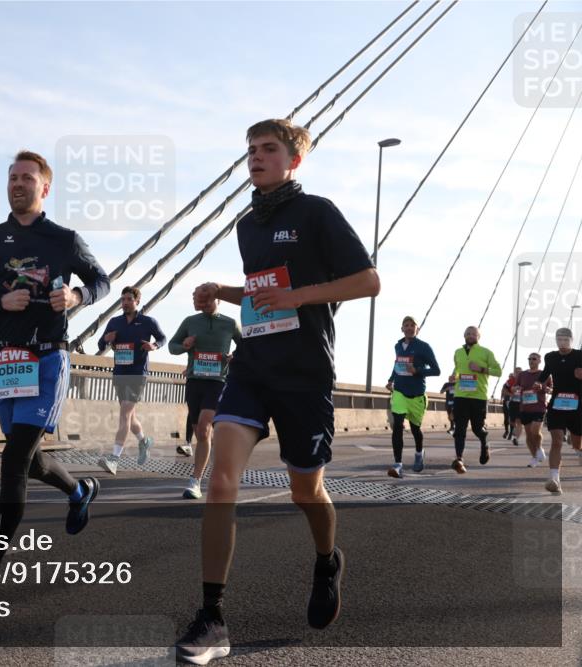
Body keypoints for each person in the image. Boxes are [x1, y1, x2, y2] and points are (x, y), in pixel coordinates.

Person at [173, 119, 380, 665]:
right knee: (221, 481)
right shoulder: (248, 224)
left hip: (304, 373)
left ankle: (327, 559)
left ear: (294, 160)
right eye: (251, 150)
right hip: (252, 367)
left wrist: (300, 297)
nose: (256, 157)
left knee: (305, 492)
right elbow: (263, 291)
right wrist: (222, 290)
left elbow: (368, 281)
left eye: (268, 149)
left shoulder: (318, 212)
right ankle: (212, 618)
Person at [0, 150, 110, 602]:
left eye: (27, 178)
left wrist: (77, 296)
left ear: (45, 188)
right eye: (12, 177)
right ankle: (78, 490)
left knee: (13, 460)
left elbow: (102, 281)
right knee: (30, 460)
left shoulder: (64, 239)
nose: (17, 184)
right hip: (4, 362)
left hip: (47, 358)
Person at [169, 288, 240, 498]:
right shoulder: (190, 321)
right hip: (194, 382)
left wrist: (235, 356)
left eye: (209, 299)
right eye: (202, 300)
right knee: (200, 433)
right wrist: (184, 345)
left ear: (218, 299)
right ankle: (217, 457)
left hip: (217, 382)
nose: (205, 303)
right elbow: (172, 346)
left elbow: (247, 345)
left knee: (203, 429)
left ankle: (195, 481)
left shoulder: (230, 323)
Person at [96, 286, 167, 474]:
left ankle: (114, 459)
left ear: (137, 301)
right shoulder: (115, 322)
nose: (125, 302)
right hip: (120, 372)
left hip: (137, 373)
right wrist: (106, 338)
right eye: (123, 299)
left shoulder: (147, 322)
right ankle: (144, 441)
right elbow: (100, 344)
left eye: (129, 299)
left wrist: (154, 345)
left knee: (125, 414)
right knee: (130, 415)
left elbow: (162, 338)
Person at [384, 316, 440, 477]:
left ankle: (419, 453)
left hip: (417, 395)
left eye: (412, 325)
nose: (409, 328)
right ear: (402, 329)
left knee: (415, 429)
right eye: (406, 325)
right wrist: (391, 380)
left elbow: (436, 370)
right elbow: (397, 364)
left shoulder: (424, 347)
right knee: (397, 426)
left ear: (417, 329)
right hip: (399, 392)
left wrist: (417, 371)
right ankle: (397, 465)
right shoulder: (398, 346)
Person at [534, 328, 582, 494]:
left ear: (571, 340)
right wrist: (538, 383)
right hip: (557, 404)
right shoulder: (551, 357)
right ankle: (554, 479)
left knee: (577, 443)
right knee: (557, 441)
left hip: (577, 405)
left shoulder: (580, 356)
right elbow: (545, 374)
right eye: (559, 339)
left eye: (566, 339)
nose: (562, 343)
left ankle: (579, 451)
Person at [449, 326, 501, 474]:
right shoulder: (458, 352)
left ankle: (484, 443)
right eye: (468, 333)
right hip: (460, 396)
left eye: (473, 334)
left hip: (478, 397)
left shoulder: (486, 352)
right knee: (459, 428)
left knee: (477, 429)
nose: (470, 335)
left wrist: (481, 369)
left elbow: (498, 371)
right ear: (464, 335)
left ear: (479, 336)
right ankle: (459, 459)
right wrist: (454, 376)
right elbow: (458, 369)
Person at [519, 353, 551, 467]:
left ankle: (539, 448)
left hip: (539, 407)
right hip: (525, 407)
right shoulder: (522, 374)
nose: (531, 361)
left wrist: (545, 388)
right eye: (529, 359)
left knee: (535, 431)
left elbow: (552, 389)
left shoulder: (545, 374)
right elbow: (515, 387)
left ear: (539, 361)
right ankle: (534, 457)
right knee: (528, 435)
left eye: (534, 359)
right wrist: (515, 388)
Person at [508, 366, 524, 446]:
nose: (518, 374)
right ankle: (514, 430)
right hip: (513, 403)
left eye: (520, 372)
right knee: (511, 421)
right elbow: (504, 389)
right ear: (514, 373)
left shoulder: (525, 380)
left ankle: (516, 438)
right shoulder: (511, 380)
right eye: (516, 372)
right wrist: (510, 394)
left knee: (519, 422)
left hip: (521, 403)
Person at [501, 373, 514, 439]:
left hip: (513, 402)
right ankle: (506, 431)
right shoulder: (506, 384)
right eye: (509, 376)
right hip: (506, 401)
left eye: (511, 376)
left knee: (512, 418)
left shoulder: (516, 383)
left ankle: (511, 432)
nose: (510, 378)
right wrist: (502, 397)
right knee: (506, 418)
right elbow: (503, 391)